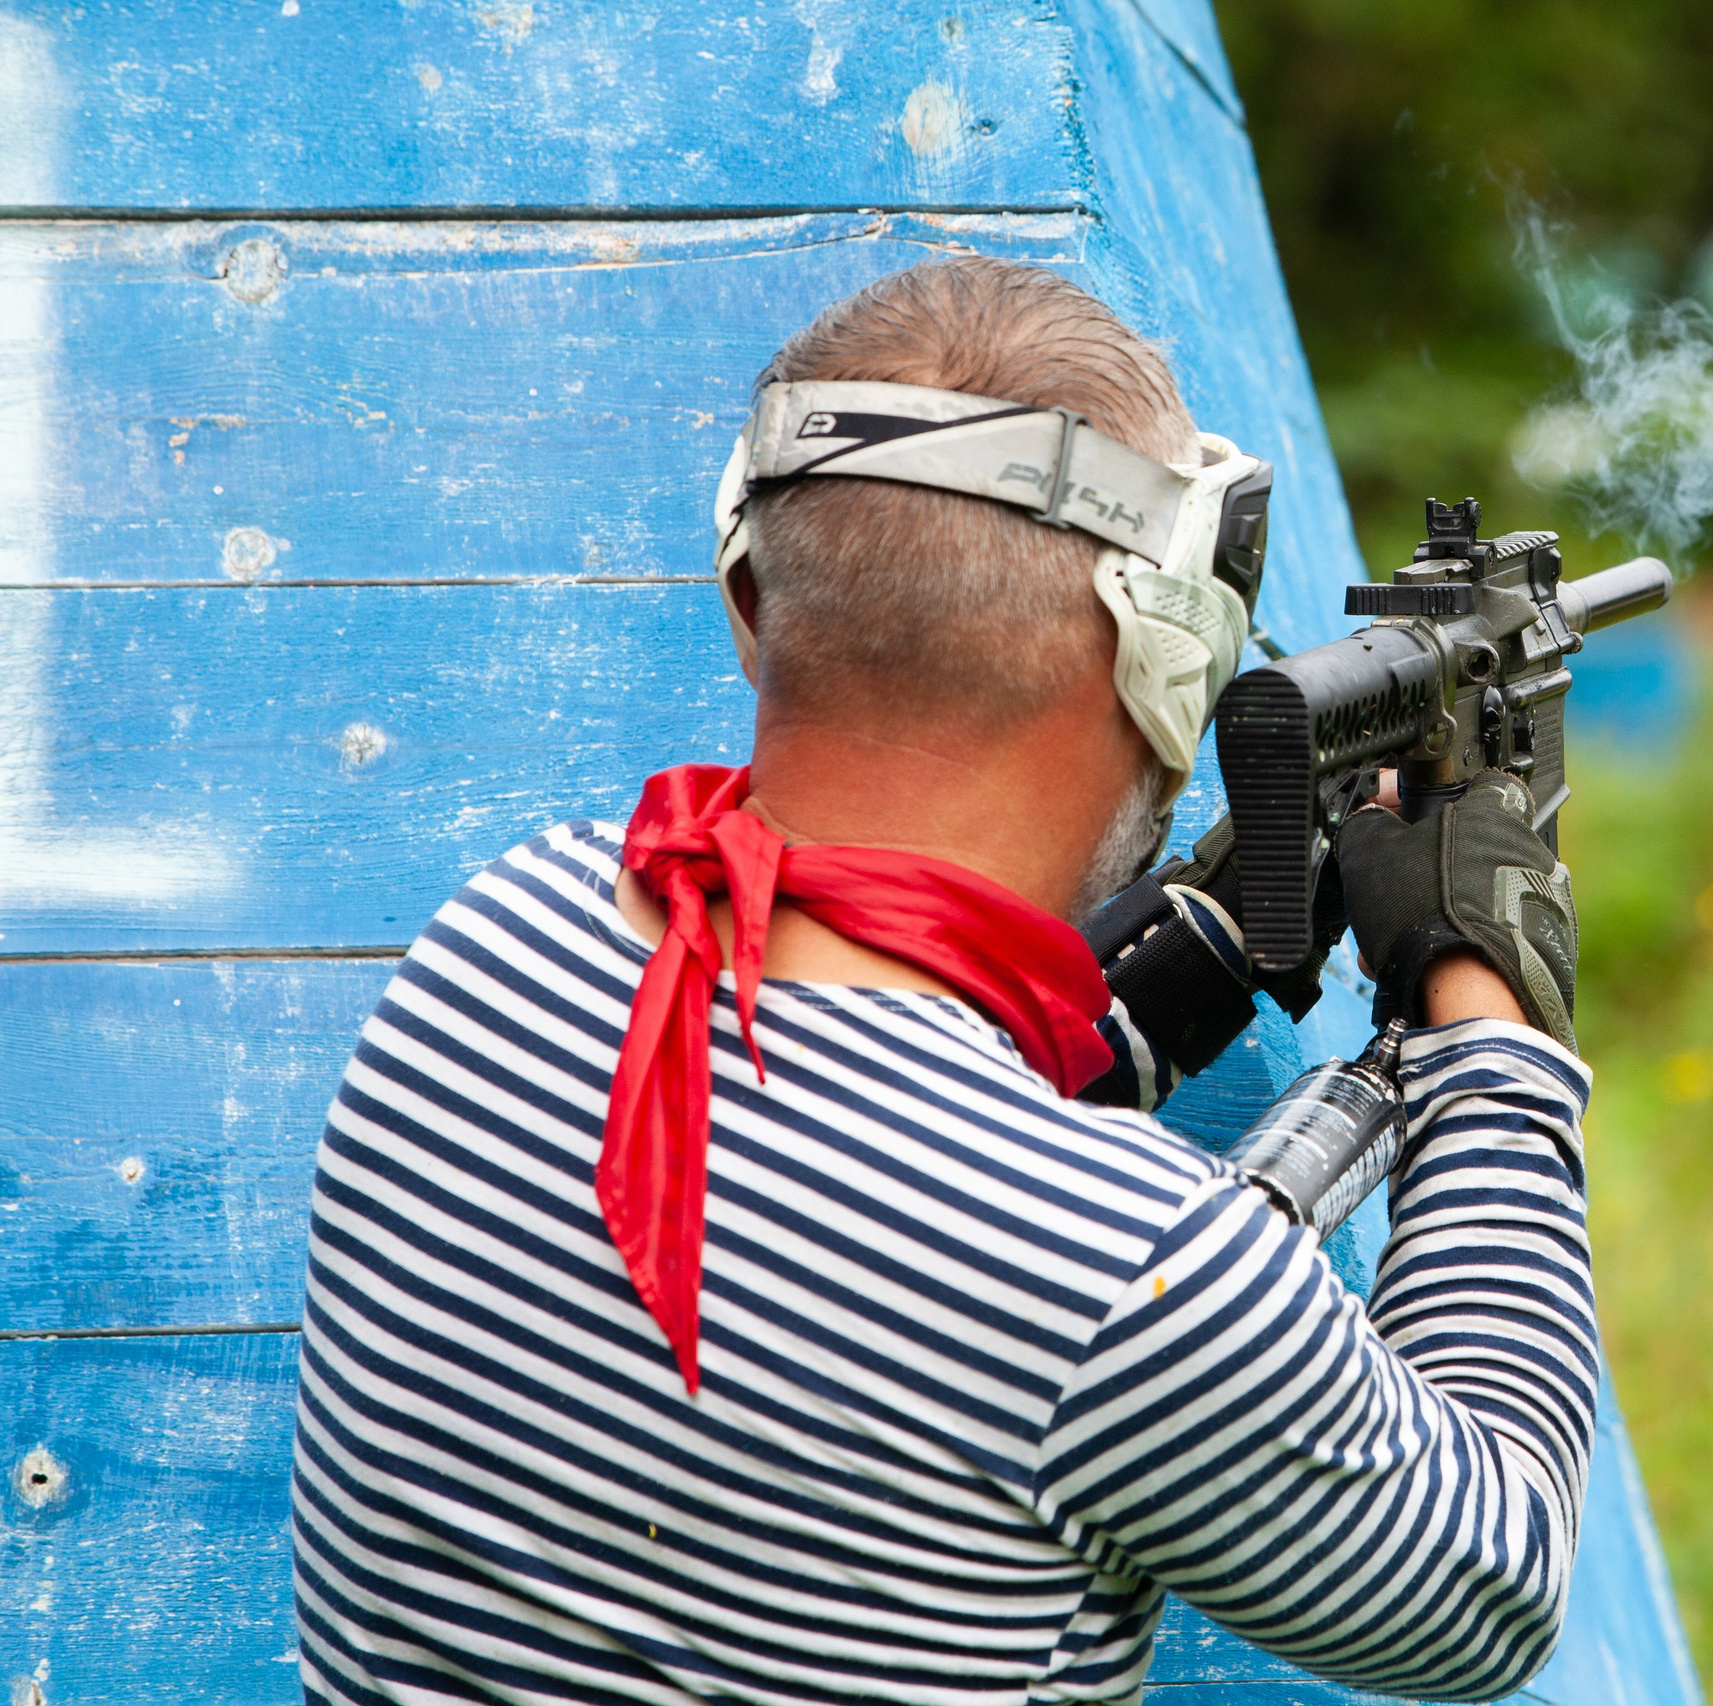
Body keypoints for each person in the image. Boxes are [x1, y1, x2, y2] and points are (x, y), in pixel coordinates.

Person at [288, 258, 1596, 1706]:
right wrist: (1491, 1013)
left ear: (750, 584)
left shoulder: (488, 952)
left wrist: (1143, 1010)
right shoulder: (1137, 1278)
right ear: (1174, 652)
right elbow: (1495, 1579)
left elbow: (842, 1143)